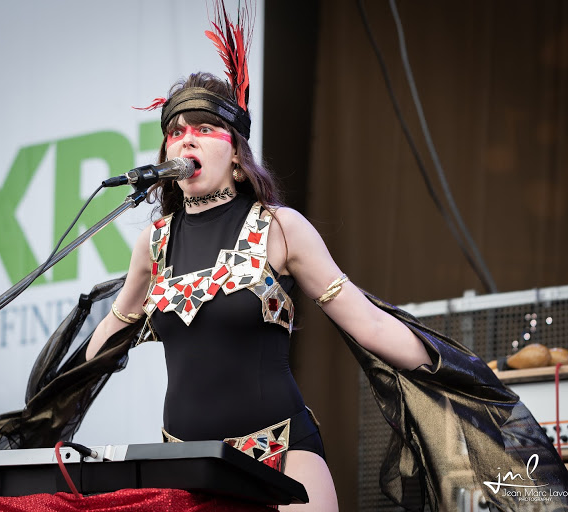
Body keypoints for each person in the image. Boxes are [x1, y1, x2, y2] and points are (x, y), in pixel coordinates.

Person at [84, 71, 432, 511]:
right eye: (176, 132)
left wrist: (451, 374)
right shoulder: (153, 244)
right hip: (185, 468)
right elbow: (103, 346)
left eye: (203, 129)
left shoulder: (279, 227)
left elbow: (370, 325)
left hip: (279, 455)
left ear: (235, 152)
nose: (186, 140)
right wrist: (63, 391)